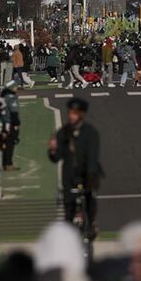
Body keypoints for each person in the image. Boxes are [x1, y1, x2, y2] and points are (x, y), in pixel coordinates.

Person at [48, 98, 102, 238]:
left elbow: (92, 157)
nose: (71, 116)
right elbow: (56, 158)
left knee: (90, 201)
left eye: (75, 113)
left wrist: (90, 179)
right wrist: (53, 149)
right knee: (68, 210)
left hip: (88, 175)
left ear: (81, 114)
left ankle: (90, 224)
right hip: (69, 177)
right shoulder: (63, 132)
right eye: (70, 113)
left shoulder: (90, 132)